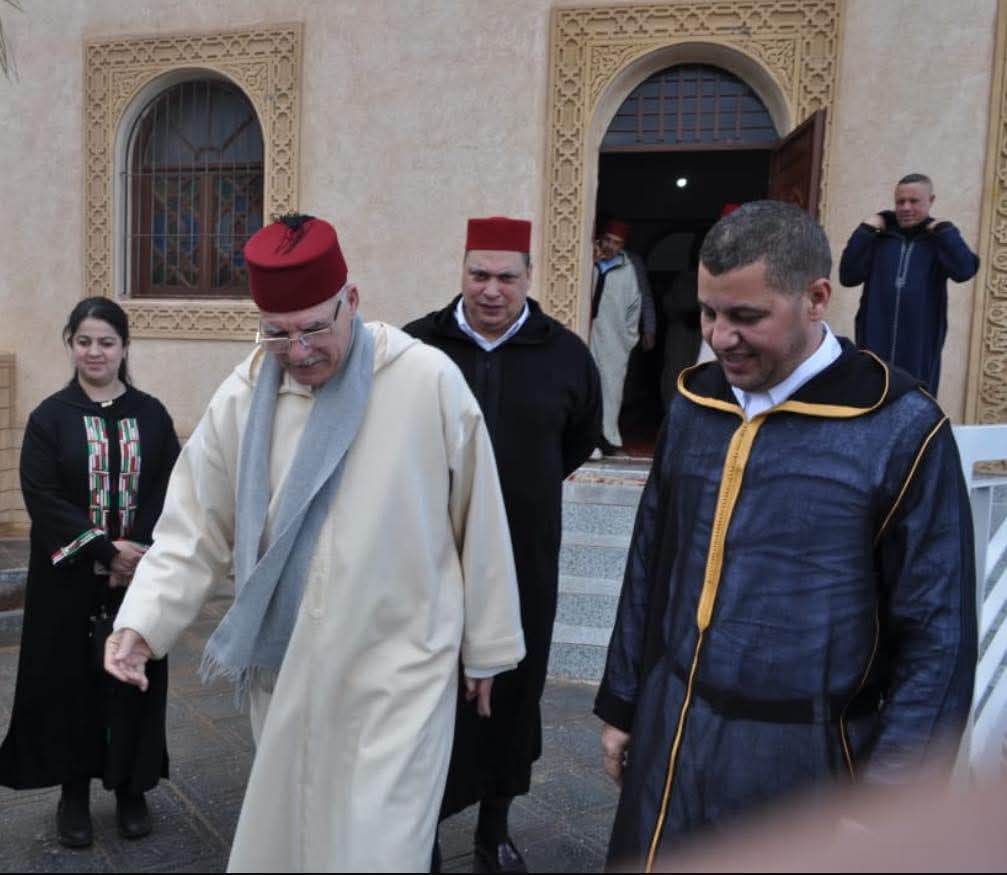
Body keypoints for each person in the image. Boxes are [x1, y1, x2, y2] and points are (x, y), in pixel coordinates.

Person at [103, 213, 526, 872]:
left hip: (400, 672)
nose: (297, 353)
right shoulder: (245, 393)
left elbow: (480, 513)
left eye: (313, 329)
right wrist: (142, 623)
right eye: (276, 333)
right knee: (295, 844)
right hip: (288, 669)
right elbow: (194, 524)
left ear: (350, 301)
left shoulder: (425, 380)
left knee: (379, 850)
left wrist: (489, 647)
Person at [593, 200, 977, 872]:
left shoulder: (898, 430)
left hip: (804, 764)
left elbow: (937, 637)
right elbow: (651, 560)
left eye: (745, 317)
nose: (718, 336)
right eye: (710, 312)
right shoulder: (696, 404)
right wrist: (624, 702)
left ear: (816, 298)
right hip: (671, 733)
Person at [404, 216, 601, 873]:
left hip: (523, 560)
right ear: (461, 272)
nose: (491, 290)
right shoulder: (415, 348)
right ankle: (420, 829)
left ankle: (494, 828)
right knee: (425, 691)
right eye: (478, 274)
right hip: (425, 560)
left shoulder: (566, 353)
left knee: (512, 694)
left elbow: (576, 441)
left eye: (505, 277)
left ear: (528, 277)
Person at [0, 297, 181, 848]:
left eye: (106, 341)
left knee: (132, 679)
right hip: (68, 582)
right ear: (70, 344)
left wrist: (136, 552)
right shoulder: (50, 417)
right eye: (84, 341)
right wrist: (104, 551)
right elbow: (43, 497)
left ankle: (131, 790)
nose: (95, 352)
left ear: (125, 347)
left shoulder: (151, 414)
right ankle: (73, 793)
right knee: (68, 685)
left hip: (139, 580)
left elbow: (169, 486)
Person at [838, 172, 979, 396]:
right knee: (870, 399)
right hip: (874, 340)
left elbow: (965, 270)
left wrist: (948, 232)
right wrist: (865, 230)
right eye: (900, 201)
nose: (905, 207)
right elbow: (847, 276)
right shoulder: (880, 238)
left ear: (931, 201)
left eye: (914, 201)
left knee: (915, 403)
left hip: (920, 344)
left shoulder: (938, 240)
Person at [590, 218, 643, 456]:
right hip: (587, 335)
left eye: (617, 243)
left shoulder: (627, 270)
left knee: (610, 391)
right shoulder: (587, 262)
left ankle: (607, 439)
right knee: (586, 387)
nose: (611, 246)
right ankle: (587, 439)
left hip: (614, 341)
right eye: (608, 240)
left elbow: (635, 306)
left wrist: (627, 339)